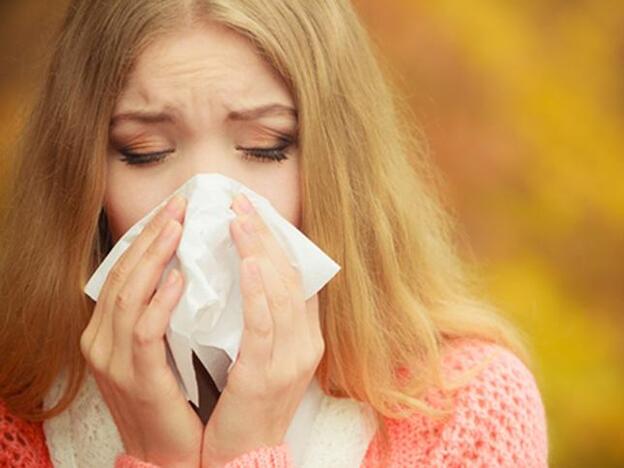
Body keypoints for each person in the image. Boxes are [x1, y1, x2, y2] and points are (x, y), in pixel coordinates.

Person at [0, 0, 548, 466]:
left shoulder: (465, 410)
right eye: (145, 152)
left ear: (338, 166)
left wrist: (248, 450)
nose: (203, 211)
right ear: (79, 174)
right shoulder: (17, 421)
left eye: (266, 145)